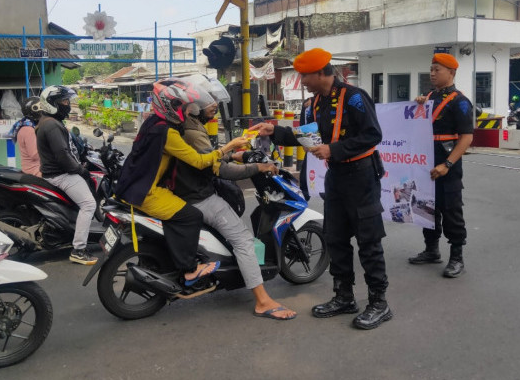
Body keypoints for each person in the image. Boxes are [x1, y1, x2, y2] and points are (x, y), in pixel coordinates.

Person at [250, 48, 392, 330]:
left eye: (304, 76)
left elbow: (373, 135)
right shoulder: (311, 105)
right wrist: (274, 131)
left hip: (362, 177)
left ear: (320, 73)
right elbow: (306, 138)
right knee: (335, 238)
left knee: (368, 241)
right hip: (336, 178)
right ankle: (344, 296)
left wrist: (333, 149)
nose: (301, 81)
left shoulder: (354, 97)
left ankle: (379, 302)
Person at [172, 75, 297, 320]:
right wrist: (258, 168)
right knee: (242, 240)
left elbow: (210, 159)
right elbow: (220, 170)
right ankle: (262, 301)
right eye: (211, 104)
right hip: (199, 197)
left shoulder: (189, 126)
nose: (215, 108)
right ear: (195, 106)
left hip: (188, 190)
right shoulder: (193, 132)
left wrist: (233, 155)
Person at [114, 79, 248, 287]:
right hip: (146, 191)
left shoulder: (153, 122)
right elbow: (199, 161)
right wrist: (228, 147)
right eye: (183, 107)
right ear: (170, 107)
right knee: (191, 216)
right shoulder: (168, 132)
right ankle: (189, 270)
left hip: (133, 184)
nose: (187, 112)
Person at [409, 52, 474, 278]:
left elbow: (466, 138)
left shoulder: (460, 102)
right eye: (431, 69)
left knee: (451, 211)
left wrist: (447, 164)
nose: (432, 73)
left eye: (437, 69)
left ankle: (457, 257)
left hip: (448, 169)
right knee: (426, 207)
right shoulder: (428, 97)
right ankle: (431, 250)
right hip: (426, 166)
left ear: (452, 72)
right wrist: (419, 106)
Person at [36, 85, 98, 265]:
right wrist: (81, 171)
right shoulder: (52, 125)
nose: (67, 104)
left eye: (67, 100)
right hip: (61, 174)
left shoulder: (47, 121)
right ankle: (79, 250)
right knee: (88, 204)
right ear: (51, 104)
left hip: (55, 172)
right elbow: (62, 155)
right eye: (64, 101)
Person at [9, 96, 43, 176]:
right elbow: (35, 155)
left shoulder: (28, 126)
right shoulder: (28, 130)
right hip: (35, 169)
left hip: (36, 167)